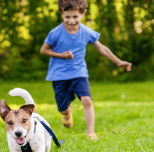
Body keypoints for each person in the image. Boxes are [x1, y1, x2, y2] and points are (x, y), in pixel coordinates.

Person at [40, 0, 132, 140]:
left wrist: (119, 62)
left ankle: (91, 133)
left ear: (83, 14)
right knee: (62, 107)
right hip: (59, 75)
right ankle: (66, 113)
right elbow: (44, 50)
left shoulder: (86, 32)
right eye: (67, 17)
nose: (71, 21)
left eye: (75, 17)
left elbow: (102, 49)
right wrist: (61, 55)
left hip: (79, 73)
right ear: (61, 14)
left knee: (87, 100)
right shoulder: (55, 33)